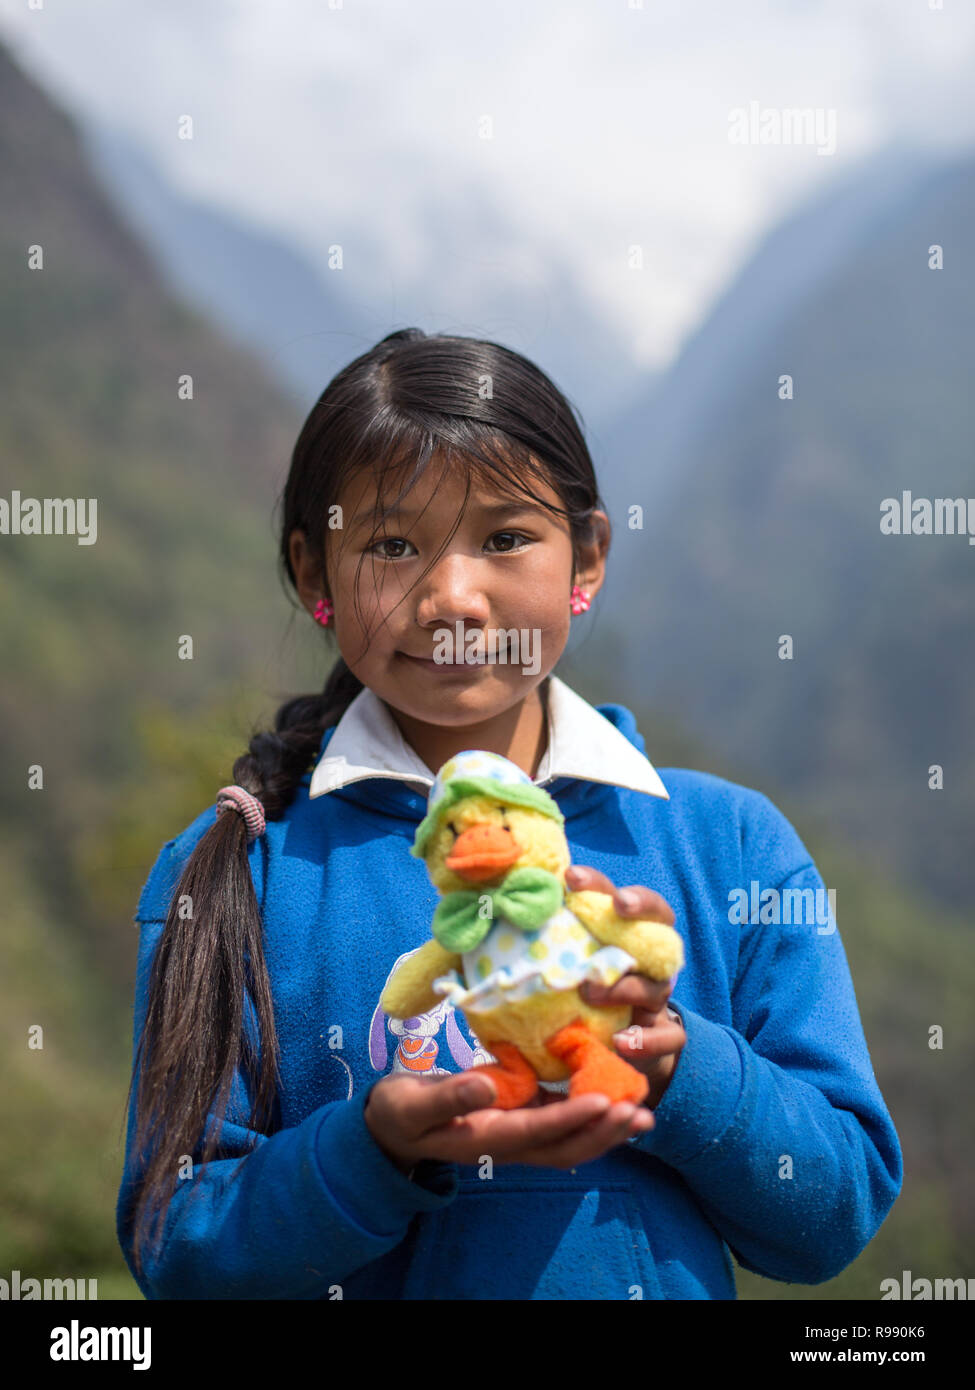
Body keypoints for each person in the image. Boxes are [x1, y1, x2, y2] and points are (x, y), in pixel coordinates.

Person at [116, 327, 902, 1300]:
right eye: (393, 544)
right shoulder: (241, 866)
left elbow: (834, 1212)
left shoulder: (730, 846)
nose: (454, 597)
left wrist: (680, 1067)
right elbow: (177, 1246)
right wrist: (375, 1150)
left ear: (589, 555)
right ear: (315, 572)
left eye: (504, 537)